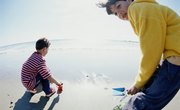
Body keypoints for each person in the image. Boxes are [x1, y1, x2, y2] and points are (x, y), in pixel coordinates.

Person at [98, 0, 180, 109]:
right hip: (173, 57)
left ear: (129, 0)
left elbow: (151, 51)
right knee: (148, 84)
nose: (120, 14)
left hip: (176, 61)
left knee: (145, 101)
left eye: (119, 6)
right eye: (116, 13)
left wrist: (138, 83)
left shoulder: (136, 9)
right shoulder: (148, 7)